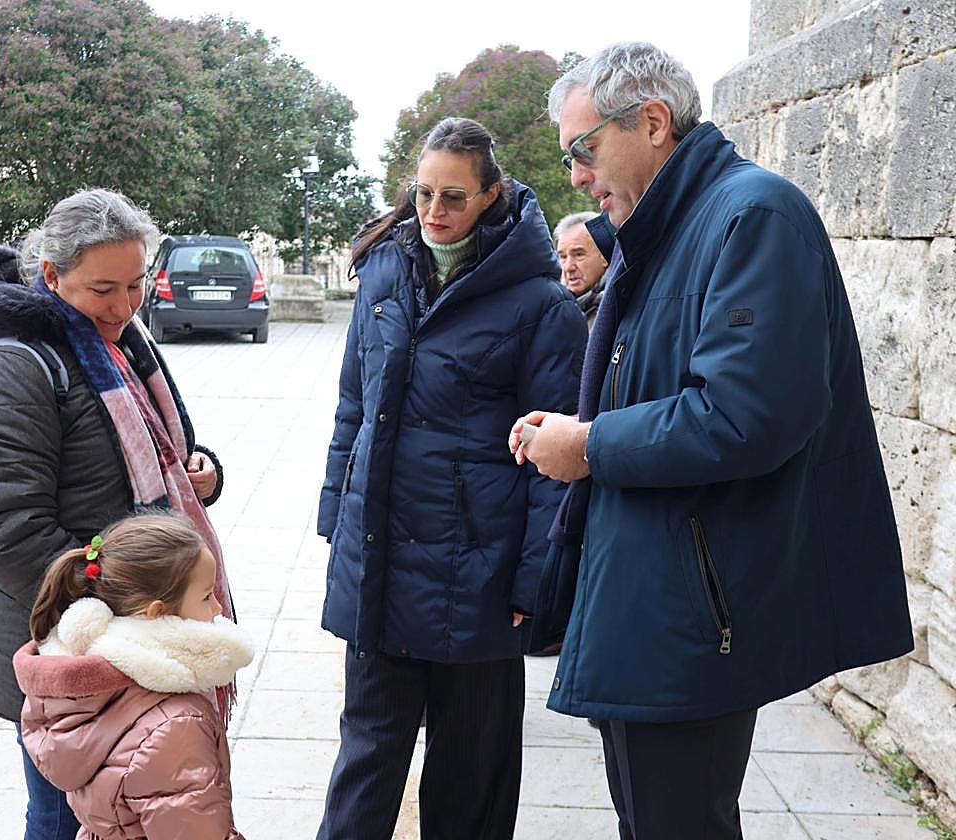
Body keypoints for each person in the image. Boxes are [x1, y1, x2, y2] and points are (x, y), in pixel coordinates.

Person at [509, 42, 913, 840]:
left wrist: (587, 445)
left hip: (690, 608)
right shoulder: (670, 225)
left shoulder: (751, 215)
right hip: (647, 589)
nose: (578, 177)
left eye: (584, 150)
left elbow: (743, 414)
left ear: (653, 122)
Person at [0, 188, 235, 840]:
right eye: (104, 289)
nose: (124, 306)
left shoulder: (118, 343)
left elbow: (159, 449)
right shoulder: (10, 367)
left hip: (132, 627)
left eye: (136, 285)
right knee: (62, 819)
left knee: (118, 813)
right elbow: (12, 533)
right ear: (52, 275)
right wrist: (130, 607)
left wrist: (201, 471)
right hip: (71, 645)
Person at [316, 116, 587, 840]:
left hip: (478, 571)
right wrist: (335, 515)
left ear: (491, 195)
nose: (434, 210)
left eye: (455, 197)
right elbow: (354, 406)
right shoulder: (383, 270)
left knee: (471, 780)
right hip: (377, 556)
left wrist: (535, 580)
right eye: (424, 192)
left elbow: (554, 460)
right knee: (364, 766)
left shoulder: (541, 304)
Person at [14, 513, 252, 840]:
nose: (218, 609)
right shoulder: (175, 725)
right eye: (206, 596)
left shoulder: (88, 693)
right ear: (157, 613)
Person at [553, 211, 610, 329]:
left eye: (579, 254)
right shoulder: (553, 310)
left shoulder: (615, 309)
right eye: (563, 257)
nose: (568, 267)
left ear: (605, 255)